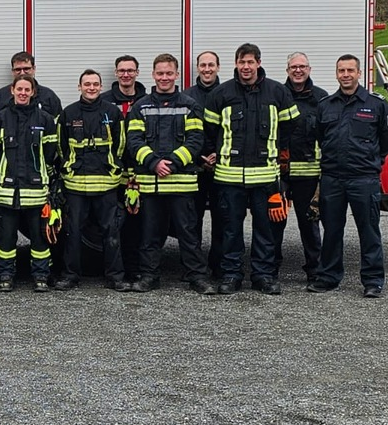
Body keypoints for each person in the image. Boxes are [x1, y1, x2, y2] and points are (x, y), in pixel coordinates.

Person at [203, 43, 298, 295]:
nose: (246, 67)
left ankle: (263, 276)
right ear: (235, 64)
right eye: (242, 62)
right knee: (230, 230)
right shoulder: (221, 94)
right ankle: (231, 275)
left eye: (250, 62)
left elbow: (290, 126)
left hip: (266, 177)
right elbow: (209, 130)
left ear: (258, 63)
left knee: (265, 229)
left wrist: (276, 151)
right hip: (228, 177)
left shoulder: (277, 92)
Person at [308, 54, 388, 298]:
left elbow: (387, 141)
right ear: (336, 74)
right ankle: (328, 277)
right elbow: (320, 136)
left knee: (369, 231)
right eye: (341, 71)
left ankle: (373, 281)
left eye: (350, 70)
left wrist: (370, 160)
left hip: (363, 178)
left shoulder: (376, 104)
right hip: (333, 178)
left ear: (359, 73)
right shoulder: (325, 105)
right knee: (332, 231)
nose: (345, 75)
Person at [124, 54, 207, 293]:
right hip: (151, 184)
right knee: (150, 234)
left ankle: (197, 277)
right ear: (153, 75)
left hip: (181, 183)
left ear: (177, 75)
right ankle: (149, 276)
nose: (164, 78)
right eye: (160, 73)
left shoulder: (190, 105)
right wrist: (153, 163)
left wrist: (171, 163)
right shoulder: (141, 106)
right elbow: (134, 140)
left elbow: (195, 140)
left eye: (169, 73)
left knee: (188, 234)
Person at [0, 75, 59, 292]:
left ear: (33, 92)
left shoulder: (45, 119)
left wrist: (39, 172)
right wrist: (5, 169)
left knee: (39, 237)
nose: (23, 93)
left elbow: (50, 152)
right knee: (6, 237)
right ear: (12, 90)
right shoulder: (0, 119)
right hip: (7, 190)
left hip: (36, 190)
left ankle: (41, 275)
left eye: (27, 89)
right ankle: (5, 275)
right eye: (19, 89)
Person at [58, 69, 128, 290]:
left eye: (95, 84)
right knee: (72, 233)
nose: (91, 88)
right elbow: (61, 147)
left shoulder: (112, 112)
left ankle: (115, 277)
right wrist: (68, 169)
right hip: (76, 185)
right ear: (79, 87)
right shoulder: (68, 113)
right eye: (87, 84)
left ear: (101, 86)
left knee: (111, 232)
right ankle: (70, 275)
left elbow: (121, 145)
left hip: (106, 184)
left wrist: (114, 169)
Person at [272, 52, 328, 283]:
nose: (298, 70)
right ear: (287, 70)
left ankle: (315, 271)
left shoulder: (322, 99)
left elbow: (328, 137)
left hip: (309, 174)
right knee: (275, 222)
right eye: (293, 67)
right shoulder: (277, 95)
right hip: (280, 173)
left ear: (309, 69)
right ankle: (270, 271)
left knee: (310, 223)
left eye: (302, 66)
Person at [102, 54, 148, 282]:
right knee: (115, 225)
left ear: (137, 73)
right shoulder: (104, 102)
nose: (126, 74)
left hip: (141, 171)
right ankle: (115, 270)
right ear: (116, 73)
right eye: (122, 70)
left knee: (139, 223)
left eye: (130, 70)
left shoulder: (147, 101)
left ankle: (135, 268)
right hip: (114, 173)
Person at [183, 50, 223, 277]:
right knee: (192, 220)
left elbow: (232, 130)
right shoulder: (186, 97)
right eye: (203, 65)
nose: (207, 69)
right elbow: (182, 133)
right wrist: (199, 157)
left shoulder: (228, 93)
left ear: (218, 67)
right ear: (197, 68)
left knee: (222, 218)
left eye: (211, 65)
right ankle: (194, 267)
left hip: (222, 167)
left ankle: (218, 265)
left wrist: (219, 154)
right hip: (194, 167)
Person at [0, 51, 63, 116]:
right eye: (18, 69)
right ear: (12, 71)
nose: (22, 73)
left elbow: (57, 124)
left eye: (26, 69)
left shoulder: (49, 97)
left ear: (34, 69)